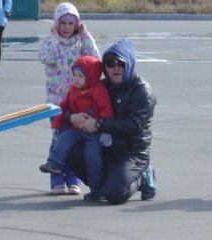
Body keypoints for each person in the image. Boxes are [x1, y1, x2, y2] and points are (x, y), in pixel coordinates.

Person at [62, 39, 157, 205]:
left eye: (120, 63)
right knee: (70, 149)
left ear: (129, 64)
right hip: (104, 146)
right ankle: (99, 187)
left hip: (131, 152)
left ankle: (142, 176)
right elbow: (68, 105)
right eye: (110, 63)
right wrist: (71, 117)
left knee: (115, 194)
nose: (115, 68)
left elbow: (134, 125)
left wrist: (98, 124)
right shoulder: (100, 87)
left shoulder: (142, 91)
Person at [38, 2, 99, 195]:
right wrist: (54, 38)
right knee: (58, 140)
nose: (66, 27)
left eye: (70, 23)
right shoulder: (52, 42)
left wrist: (85, 35)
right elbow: (46, 58)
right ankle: (56, 179)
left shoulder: (80, 43)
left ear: (77, 25)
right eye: (62, 23)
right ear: (56, 24)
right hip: (56, 103)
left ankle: (73, 179)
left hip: (78, 103)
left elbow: (95, 59)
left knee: (74, 141)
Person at [40, 56, 112, 202]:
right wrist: (58, 125)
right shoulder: (73, 90)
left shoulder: (98, 90)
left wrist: (105, 130)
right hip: (76, 129)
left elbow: (106, 110)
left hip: (93, 133)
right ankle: (54, 163)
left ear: (90, 77)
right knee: (64, 139)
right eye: (74, 75)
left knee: (92, 158)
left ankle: (96, 190)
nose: (76, 79)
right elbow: (64, 107)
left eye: (80, 76)